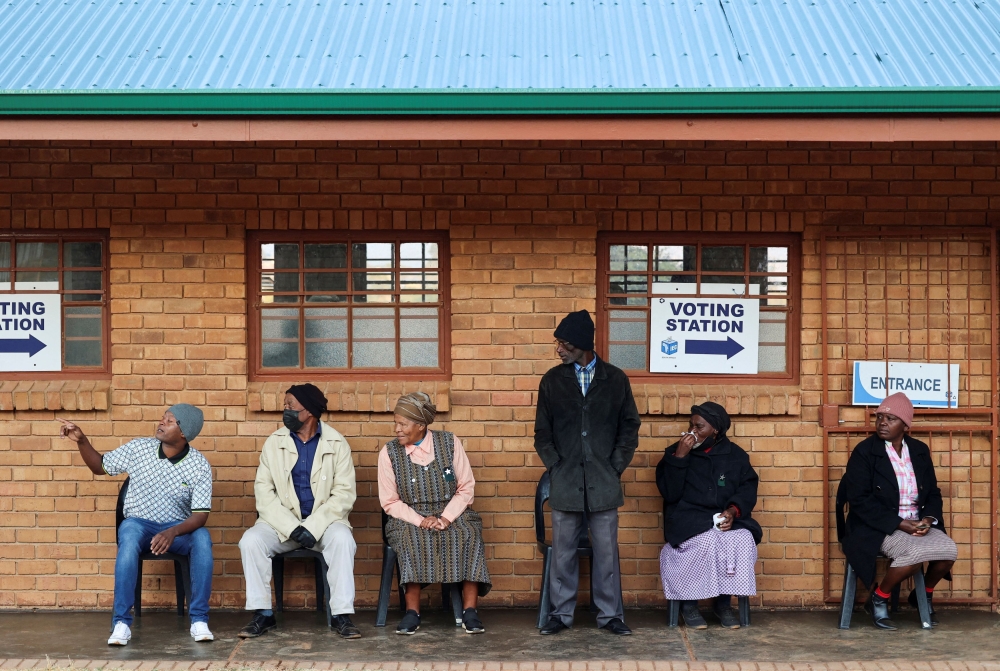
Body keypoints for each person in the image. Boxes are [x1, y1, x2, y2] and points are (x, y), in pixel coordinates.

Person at [59, 404, 214, 646]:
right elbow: (100, 466)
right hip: (140, 524)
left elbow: (200, 515)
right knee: (128, 534)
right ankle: (121, 623)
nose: (161, 422)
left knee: (202, 537)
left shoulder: (199, 465)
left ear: (184, 432)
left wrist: (172, 532)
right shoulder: (139, 448)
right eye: (163, 417)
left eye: (170, 420)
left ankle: (199, 621)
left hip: (177, 529)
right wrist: (81, 440)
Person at [533, 310, 641, 636]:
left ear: (582, 344)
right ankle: (559, 616)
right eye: (558, 343)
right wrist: (556, 465)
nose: (559, 350)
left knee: (607, 553)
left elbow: (629, 427)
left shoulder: (616, 379)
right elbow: (542, 433)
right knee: (563, 553)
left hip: (603, 483)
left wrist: (615, 466)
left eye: (564, 343)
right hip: (565, 483)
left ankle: (611, 617)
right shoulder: (552, 381)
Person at [238, 384, 361, 639]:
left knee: (342, 539)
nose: (286, 410)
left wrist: (313, 526)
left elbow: (344, 495)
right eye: (285, 405)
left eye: (290, 405)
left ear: (310, 412)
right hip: (281, 524)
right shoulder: (274, 442)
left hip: (324, 524)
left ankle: (341, 615)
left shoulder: (338, 444)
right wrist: (292, 527)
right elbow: (263, 492)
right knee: (250, 541)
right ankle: (262, 614)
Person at [839, 392, 957, 630]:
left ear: (905, 424)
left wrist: (927, 519)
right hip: (876, 524)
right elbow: (859, 500)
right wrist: (899, 523)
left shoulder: (919, 451)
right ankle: (879, 597)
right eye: (879, 417)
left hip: (916, 522)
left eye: (890, 418)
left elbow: (932, 492)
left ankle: (923, 595)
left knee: (948, 552)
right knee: (912, 553)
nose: (882, 422)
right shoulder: (864, 452)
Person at [378, 391, 491, 635]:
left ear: (420, 425)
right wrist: (420, 521)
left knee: (469, 534)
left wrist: (445, 518)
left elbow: (466, 487)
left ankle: (470, 611)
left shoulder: (449, 442)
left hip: (451, 512)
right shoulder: (389, 453)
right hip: (408, 516)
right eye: (396, 423)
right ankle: (412, 612)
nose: (397, 429)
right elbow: (389, 501)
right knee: (411, 539)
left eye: (403, 424)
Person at [655, 402, 761, 630]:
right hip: (688, 519)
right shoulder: (675, 452)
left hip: (726, 518)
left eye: (699, 427)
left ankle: (723, 603)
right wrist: (679, 458)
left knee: (742, 539)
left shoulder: (736, 456)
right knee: (707, 540)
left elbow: (747, 488)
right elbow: (670, 493)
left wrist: (733, 511)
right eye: (691, 426)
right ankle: (689, 604)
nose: (692, 432)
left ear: (715, 429)